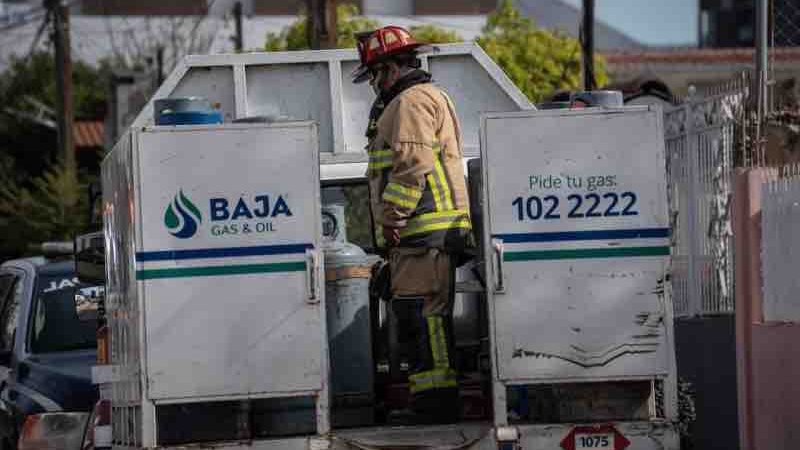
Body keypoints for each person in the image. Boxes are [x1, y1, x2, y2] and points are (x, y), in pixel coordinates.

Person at [353, 26, 473, 424]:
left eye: (373, 75)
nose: (372, 84)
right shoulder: (418, 100)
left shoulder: (410, 102)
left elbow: (412, 168)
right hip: (421, 236)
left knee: (424, 321)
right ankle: (432, 401)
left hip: (421, 235)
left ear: (388, 69)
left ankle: (436, 406)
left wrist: (391, 223)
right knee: (421, 319)